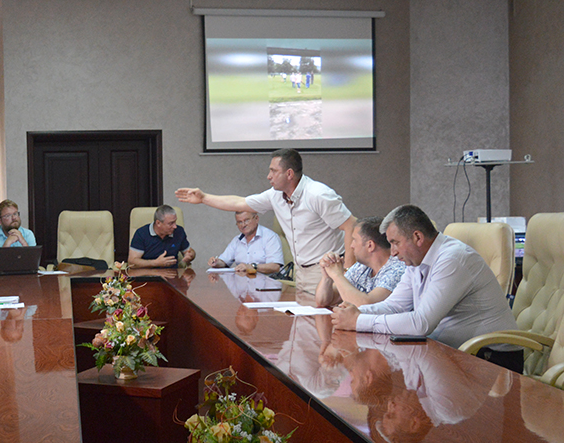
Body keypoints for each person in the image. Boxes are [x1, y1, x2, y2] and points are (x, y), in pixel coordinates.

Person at [331, 204, 517, 349]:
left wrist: (358, 321)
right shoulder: (416, 260)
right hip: (452, 352)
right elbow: (395, 305)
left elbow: (421, 323)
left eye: (395, 243)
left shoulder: (452, 259)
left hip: (489, 358)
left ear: (417, 238)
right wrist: (356, 312)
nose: (393, 252)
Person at [176, 148, 356, 294]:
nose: (268, 176)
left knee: (328, 326)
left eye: (273, 171)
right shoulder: (275, 196)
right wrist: (204, 198)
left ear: (289, 174)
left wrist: (347, 272)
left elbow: (351, 225)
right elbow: (239, 202)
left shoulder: (318, 194)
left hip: (328, 270)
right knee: (306, 328)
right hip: (301, 272)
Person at [315, 216, 405, 308]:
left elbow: (366, 305)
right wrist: (327, 277)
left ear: (370, 245)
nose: (351, 245)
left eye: (354, 240)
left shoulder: (397, 269)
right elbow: (322, 301)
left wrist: (337, 275)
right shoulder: (361, 266)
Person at [208, 211, 283, 275]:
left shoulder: (270, 237)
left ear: (256, 219)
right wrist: (216, 263)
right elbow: (224, 261)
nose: (243, 225)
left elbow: (275, 267)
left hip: (269, 285)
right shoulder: (237, 240)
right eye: (240, 222)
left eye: (246, 220)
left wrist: (251, 267)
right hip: (245, 284)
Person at [128, 204, 196, 269]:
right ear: (158, 223)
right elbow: (132, 262)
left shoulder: (178, 231)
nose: (175, 226)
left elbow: (189, 251)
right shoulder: (141, 233)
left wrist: (191, 255)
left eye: (175, 222)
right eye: (171, 223)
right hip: (148, 275)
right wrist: (155, 263)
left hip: (172, 275)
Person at [0, 199, 37, 271]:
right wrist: (7, 243)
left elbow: (33, 264)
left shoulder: (28, 234)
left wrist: (23, 241)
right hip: (0, 278)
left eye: (15, 214)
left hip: (24, 276)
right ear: (0, 221)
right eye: (8, 215)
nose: (14, 218)